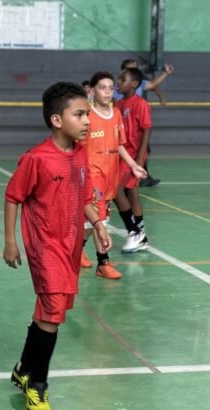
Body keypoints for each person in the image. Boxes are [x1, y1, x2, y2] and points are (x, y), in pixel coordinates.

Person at [4, 82, 111, 410]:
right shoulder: (36, 158)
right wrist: (10, 241)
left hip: (69, 245)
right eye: (79, 115)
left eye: (87, 114)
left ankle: (23, 369)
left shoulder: (79, 154)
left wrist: (97, 224)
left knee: (49, 312)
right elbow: (13, 197)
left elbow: (83, 198)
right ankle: (37, 387)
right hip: (45, 247)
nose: (87, 121)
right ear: (56, 120)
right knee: (52, 314)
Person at [80, 71, 147, 278]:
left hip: (111, 174)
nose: (107, 92)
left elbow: (119, 145)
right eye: (102, 88)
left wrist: (133, 165)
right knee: (100, 220)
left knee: (93, 221)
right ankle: (103, 263)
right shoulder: (86, 114)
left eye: (111, 88)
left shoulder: (116, 113)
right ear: (93, 90)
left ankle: (76, 249)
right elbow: (76, 146)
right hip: (93, 175)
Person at [114, 59, 173, 187]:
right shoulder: (117, 97)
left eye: (135, 68)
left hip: (134, 148)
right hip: (123, 148)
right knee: (129, 189)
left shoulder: (140, 102)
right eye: (129, 69)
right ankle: (142, 177)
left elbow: (153, 84)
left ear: (134, 83)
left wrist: (165, 74)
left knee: (118, 187)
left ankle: (143, 175)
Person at [115, 67, 152, 254]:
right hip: (122, 154)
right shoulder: (119, 104)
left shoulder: (140, 104)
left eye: (123, 79)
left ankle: (134, 231)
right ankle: (142, 238)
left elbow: (146, 130)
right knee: (132, 194)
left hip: (133, 155)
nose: (118, 82)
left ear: (134, 84)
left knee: (115, 190)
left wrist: (138, 159)